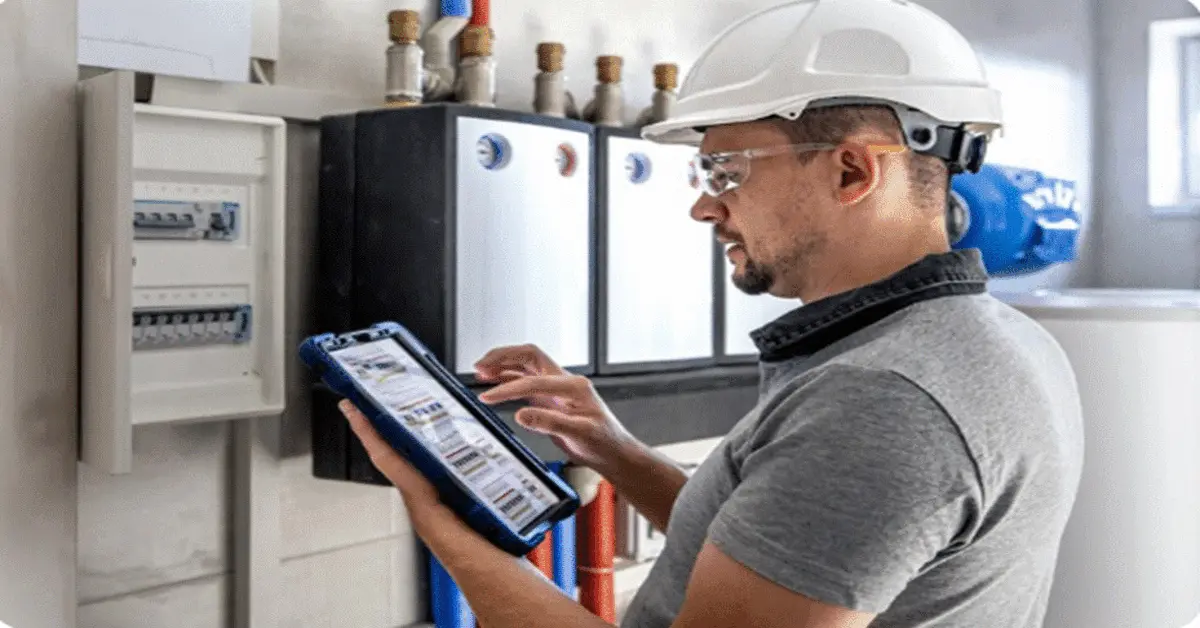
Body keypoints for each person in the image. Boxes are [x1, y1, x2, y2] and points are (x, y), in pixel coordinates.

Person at [338, 0, 1085, 626]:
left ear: (852, 169)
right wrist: (613, 449)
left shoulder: (883, 400)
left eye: (726, 169)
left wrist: (442, 519)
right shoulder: (992, 338)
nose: (703, 205)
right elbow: (789, 547)